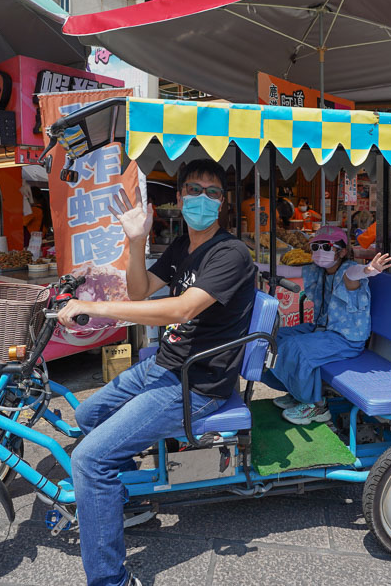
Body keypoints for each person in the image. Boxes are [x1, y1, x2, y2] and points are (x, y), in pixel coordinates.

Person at [56, 159, 256, 586]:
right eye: (194, 190)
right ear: (180, 198)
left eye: (213, 192)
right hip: (164, 365)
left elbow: (181, 309)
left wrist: (96, 307)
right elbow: (140, 290)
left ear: (222, 203)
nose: (203, 199)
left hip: (198, 383)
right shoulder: (182, 246)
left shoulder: (231, 253)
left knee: (90, 460)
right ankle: (123, 498)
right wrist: (137, 240)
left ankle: (112, 580)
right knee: (87, 419)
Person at [262, 225, 391, 424]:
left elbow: (355, 274)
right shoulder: (319, 271)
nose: (320, 252)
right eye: (316, 247)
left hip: (346, 340)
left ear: (342, 251)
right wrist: (248, 264)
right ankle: (296, 391)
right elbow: (286, 270)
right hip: (322, 330)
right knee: (274, 337)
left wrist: (369, 270)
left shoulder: (347, 271)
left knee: (296, 348)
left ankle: (315, 405)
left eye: (326, 246)